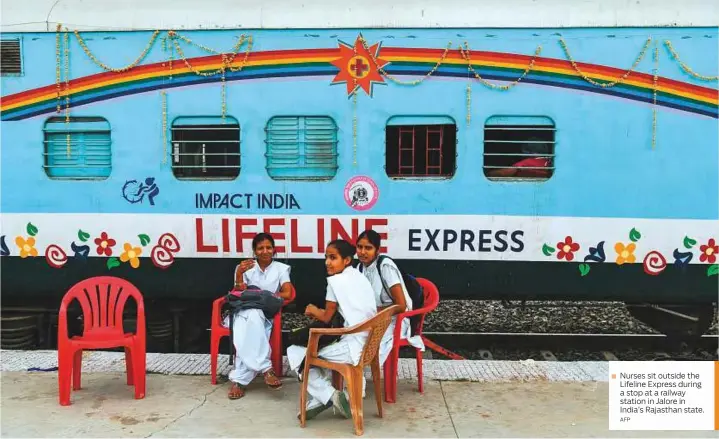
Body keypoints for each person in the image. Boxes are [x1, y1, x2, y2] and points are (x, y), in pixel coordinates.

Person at [287, 239, 377, 420]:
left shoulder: (335, 281)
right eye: (326, 257)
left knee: (295, 352)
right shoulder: (359, 276)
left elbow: (327, 317)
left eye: (333, 258)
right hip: (369, 344)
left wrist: (312, 310)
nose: (327, 262)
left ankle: (329, 396)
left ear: (347, 260)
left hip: (352, 348)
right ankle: (323, 398)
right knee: (314, 350)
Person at [225, 232, 293, 399]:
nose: (265, 251)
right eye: (260, 248)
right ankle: (266, 369)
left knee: (251, 322)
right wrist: (239, 274)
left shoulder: (281, 269)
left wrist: (264, 296)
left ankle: (239, 381)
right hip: (242, 311)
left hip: (265, 313)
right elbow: (238, 292)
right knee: (248, 322)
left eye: (268, 247)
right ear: (255, 251)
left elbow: (288, 292)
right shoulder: (245, 267)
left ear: (274, 250)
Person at [356, 230, 425, 369]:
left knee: (372, 344)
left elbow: (401, 305)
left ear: (377, 250)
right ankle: (354, 379)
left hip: (398, 319)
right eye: (359, 247)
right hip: (375, 319)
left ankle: (359, 380)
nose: (362, 252)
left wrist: (375, 312)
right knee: (351, 339)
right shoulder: (360, 268)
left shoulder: (385, 266)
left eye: (368, 248)